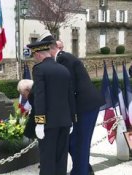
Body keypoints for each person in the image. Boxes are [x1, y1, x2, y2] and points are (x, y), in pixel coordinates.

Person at [41, 34, 104, 175]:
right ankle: (83, 169)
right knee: (73, 142)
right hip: (82, 106)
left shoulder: (64, 59)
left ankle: (81, 172)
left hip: (85, 107)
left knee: (80, 143)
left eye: (43, 53)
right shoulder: (62, 59)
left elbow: (68, 88)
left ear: (50, 50)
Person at [27, 40, 76, 175]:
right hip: (65, 122)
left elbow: (40, 97)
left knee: (47, 159)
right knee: (61, 158)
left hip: (48, 124)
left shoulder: (39, 69)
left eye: (34, 55)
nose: (34, 58)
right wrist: (72, 118)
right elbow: (70, 96)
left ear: (38, 54)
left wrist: (40, 122)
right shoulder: (63, 69)